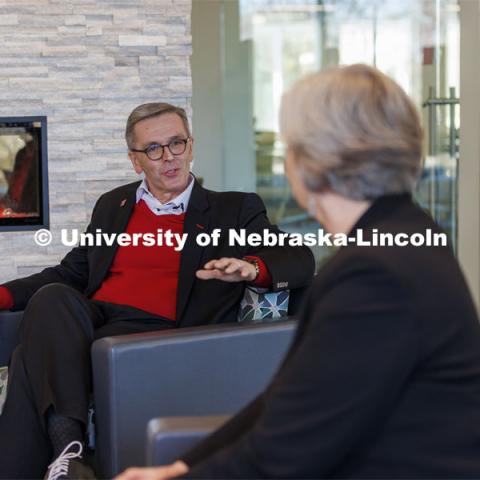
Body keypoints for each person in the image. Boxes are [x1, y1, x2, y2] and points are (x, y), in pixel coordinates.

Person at [116, 65, 480, 480]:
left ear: (314, 162)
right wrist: (182, 464)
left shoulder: (373, 273)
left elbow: (288, 450)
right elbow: (289, 396)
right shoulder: (407, 233)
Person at [0, 102, 315, 479]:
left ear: (191, 146)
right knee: (51, 297)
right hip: (97, 317)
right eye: (154, 149)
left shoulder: (232, 209)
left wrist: (254, 268)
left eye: (176, 143)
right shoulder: (112, 206)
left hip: (158, 332)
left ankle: (64, 449)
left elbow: (299, 259)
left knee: (27, 359)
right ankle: (70, 456)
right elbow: (70, 273)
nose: (169, 157)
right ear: (136, 161)